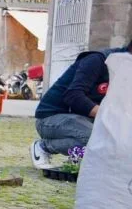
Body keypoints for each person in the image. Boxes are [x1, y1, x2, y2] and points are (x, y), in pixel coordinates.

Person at [30, 39, 131, 169]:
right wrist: (108, 115)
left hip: (82, 120)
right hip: (51, 118)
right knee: (97, 139)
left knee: (115, 140)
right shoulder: (97, 61)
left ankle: (77, 157)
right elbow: (73, 96)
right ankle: (44, 147)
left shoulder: (126, 72)